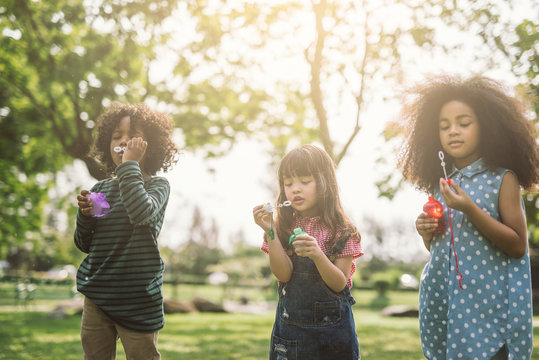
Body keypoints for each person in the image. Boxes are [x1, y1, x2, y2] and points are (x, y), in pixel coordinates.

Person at [398, 75, 538, 360]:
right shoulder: (443, 183)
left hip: (488, 313)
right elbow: (443, 249)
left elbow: (517, 246)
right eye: (444, 126)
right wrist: (427, 233)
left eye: (464, 123)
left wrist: (470, 209)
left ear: (486, 127)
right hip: (448, 306)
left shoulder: (502, 179)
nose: (453, 131)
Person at [74, 102, 178, 360]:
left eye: (133, 136)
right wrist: (85, 217)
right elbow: (85, 244)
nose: (123, 141)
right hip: (98, 295)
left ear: (150, 144)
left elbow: (140, 212)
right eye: (116, 136)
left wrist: (130, 165)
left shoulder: (158, 186)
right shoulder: (101, 188)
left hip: (138, 299)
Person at [252, 144, 364, 360]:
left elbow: (339, 283)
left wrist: (318, 255)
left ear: (325, 184)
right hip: (291, 333)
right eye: (288, 183)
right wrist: (271, 231)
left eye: (304, 181)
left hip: (333, 336)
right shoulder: (282, 227)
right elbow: (283, 275)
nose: (295, 189)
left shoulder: (342, 231)